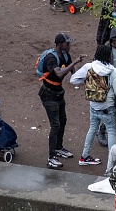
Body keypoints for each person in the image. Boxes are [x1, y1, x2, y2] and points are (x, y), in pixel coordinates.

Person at [39, 33, 84, 168]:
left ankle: (58, 147)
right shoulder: (51, 58)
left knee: (63, 121)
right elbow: (59, 74)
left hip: (58, 93)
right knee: (55, 125)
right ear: (59, 45)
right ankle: (51, 157)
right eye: (67, 43)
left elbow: (74, 75)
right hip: (48, 95)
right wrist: (74, 62)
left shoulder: (65, 55)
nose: (69, 46)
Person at [70, 45, 116, 166]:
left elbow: (73, 80)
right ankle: (111, 163)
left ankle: (84, 156)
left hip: (93, 106)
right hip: (108, 108)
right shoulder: (113, 71)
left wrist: (88, 82)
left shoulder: (89, 67)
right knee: (111, 132)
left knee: (92, 129)